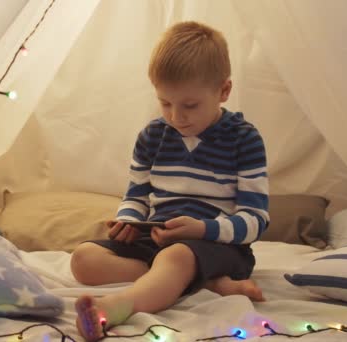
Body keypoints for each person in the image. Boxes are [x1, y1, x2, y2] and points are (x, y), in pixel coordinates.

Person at [70, 21, 270, 341]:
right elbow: (136, 195)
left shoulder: (243, 139)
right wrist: (129, 221)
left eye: (190, 105)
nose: (176, 117)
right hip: (160, 239)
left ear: (224, 91)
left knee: (176, 257)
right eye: (165, 103)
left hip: (217, 245)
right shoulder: (152, 136)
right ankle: (206, 284)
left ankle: (114, 308)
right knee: (83, 259)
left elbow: (255, 220)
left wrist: (202, 228)